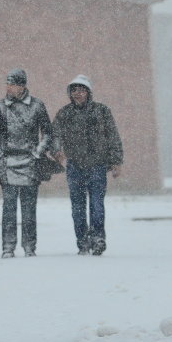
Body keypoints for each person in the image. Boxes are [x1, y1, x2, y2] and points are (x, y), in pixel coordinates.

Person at [52, 74, 123, 256]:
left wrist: (116, 161)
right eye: (74, 90)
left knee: (97, 205)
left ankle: (98, 238)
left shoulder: (101, 111)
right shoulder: (64, 113)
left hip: (97, 166)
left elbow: (113, 136)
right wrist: (56, 150)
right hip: (74, 166)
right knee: (77, 207)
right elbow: (55, 135)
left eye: (81, 90)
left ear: (88, 92)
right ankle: (82, 241)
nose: (78, 93)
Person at [0, 69, 54, 258]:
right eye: (8, 84)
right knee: (8, 208)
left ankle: (29, 247)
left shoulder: (37, 105)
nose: (8, 87)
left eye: (12, 84)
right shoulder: (1, 106)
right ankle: (8, 247)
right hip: (8, 161)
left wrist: (38, 152)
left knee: (28, 209)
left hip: (30, 162)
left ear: (22, 85)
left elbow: (48, 133)